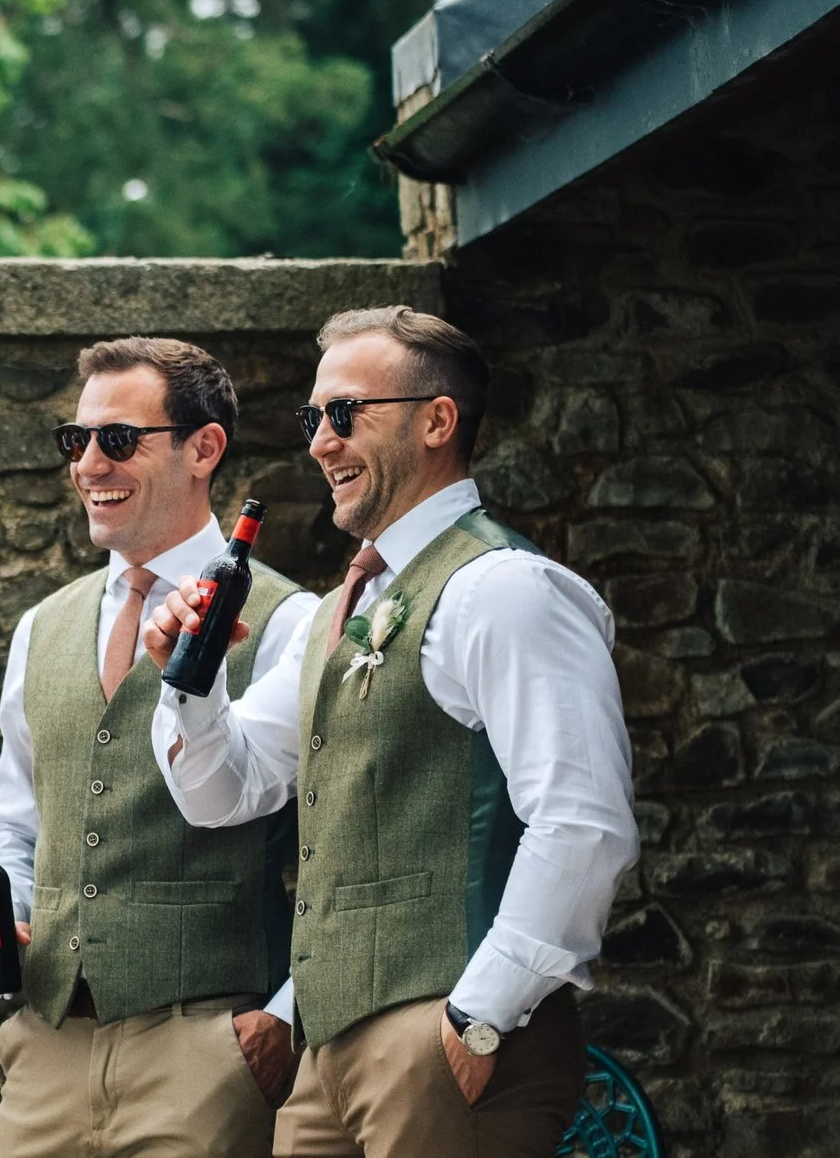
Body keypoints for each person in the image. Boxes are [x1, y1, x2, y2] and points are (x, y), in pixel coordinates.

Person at [144, 306, 638, 1158]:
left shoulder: (506, 590)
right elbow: (223, 792)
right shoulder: (335, 612)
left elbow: (583, 820)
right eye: (312, 419)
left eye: (344, 414)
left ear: (437, 420)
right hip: (326, 1049)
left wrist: (475, 1018)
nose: (319, 443)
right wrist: (191, 681)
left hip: (448, 1040)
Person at [0, 338, 321, 1158]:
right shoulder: (41, 626)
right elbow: (18, 819)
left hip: (208, 1048)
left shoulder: (294, 620)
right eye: (74, 440)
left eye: (117, 438)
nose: (88, 463)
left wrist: (279, 1021)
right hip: (46, 1048)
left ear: (204, 448)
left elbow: (344, 839)